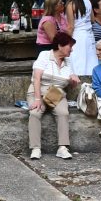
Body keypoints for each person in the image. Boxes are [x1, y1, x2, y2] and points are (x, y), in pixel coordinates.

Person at [27, 31, 79, 161]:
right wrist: (38, 99)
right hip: (38, 90)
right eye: (69, 46)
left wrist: (73, 80)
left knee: (63, 112)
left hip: (56, 93)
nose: (71, 50)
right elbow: (37, 78)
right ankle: (36, 148)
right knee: (35, 113)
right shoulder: (44, 55)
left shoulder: (68, 61)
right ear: (60, 45)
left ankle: (62, 148)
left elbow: (71, 85)